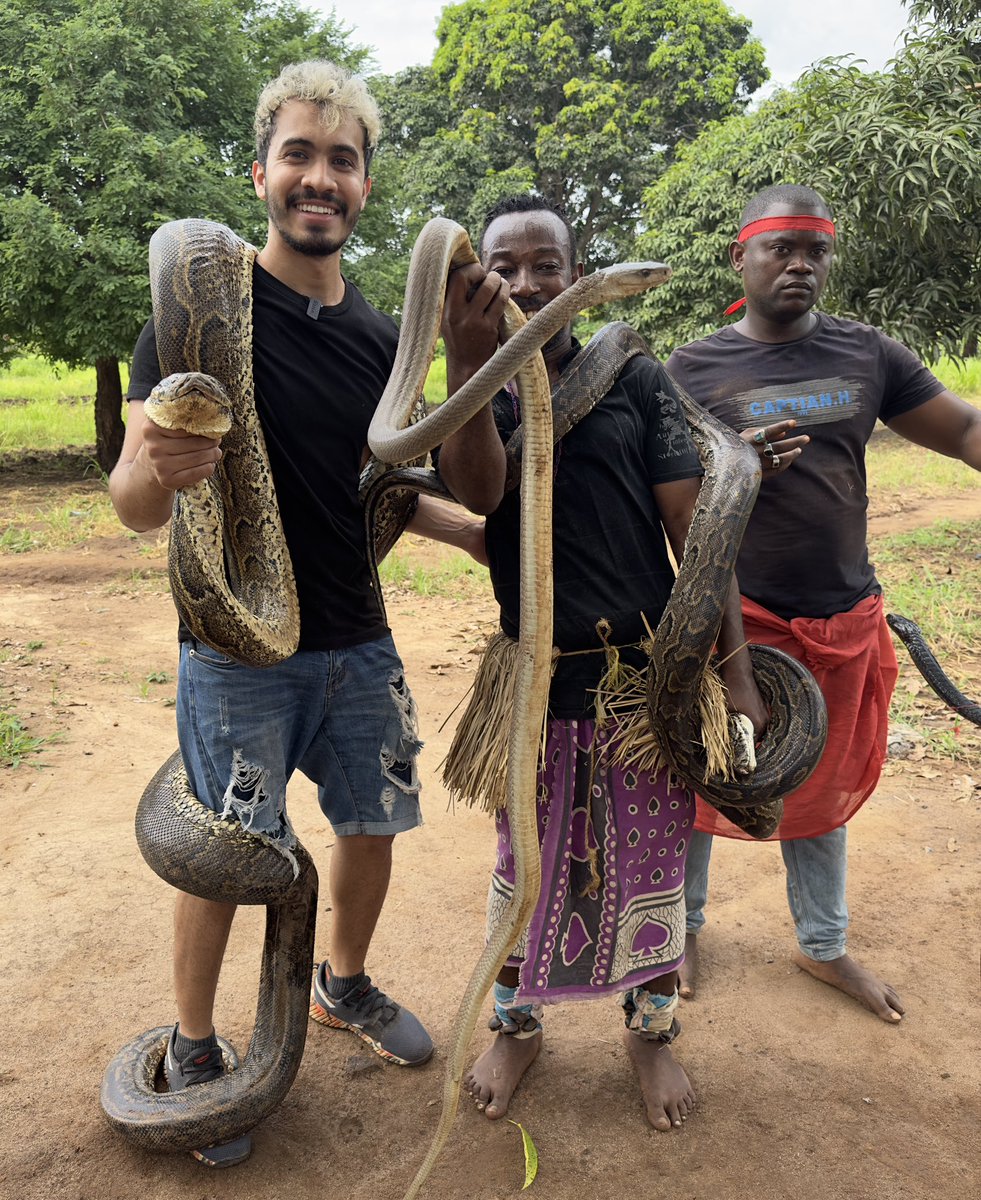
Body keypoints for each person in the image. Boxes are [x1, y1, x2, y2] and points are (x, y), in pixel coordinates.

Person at [109, 60, 506, 1167]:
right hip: (235, 651)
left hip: (357, 640)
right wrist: (157, 466)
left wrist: (474, 533)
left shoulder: (384, 341)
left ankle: (343, 983)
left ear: (365, 185)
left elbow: (377, 489)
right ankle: (195, 1046)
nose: (319, 178)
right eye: (298, 155)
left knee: (372, 825)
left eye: (342, 159)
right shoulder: (194, 315)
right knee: (230, 850)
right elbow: (135, 503)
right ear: (261, 174)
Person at [435, 194, 767, 1132]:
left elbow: (694, 531)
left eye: (548, 264)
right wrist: (467, 366)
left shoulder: (634, 377)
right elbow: (480, 492)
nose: (527, 282)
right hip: (532, 682)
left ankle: (650, 1034)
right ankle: (516, 1028)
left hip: (646, 680)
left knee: (653, 862)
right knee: (525, 867)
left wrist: (735, 669)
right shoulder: (476, 389)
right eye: (505, 266)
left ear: (577, 278)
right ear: (476, 279)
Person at [665, 183, 981, 1024]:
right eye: (781, 247)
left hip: (840, 618)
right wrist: (736, 466)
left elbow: (960, 430)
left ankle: (822, 942)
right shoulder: (689, 369)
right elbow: (671, 495)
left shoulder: (865, 354)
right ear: (740, 256)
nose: (800, 264)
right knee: (704, 776)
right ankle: (681, 930)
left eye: (816, 250)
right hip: (732, 619)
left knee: (821, 777)